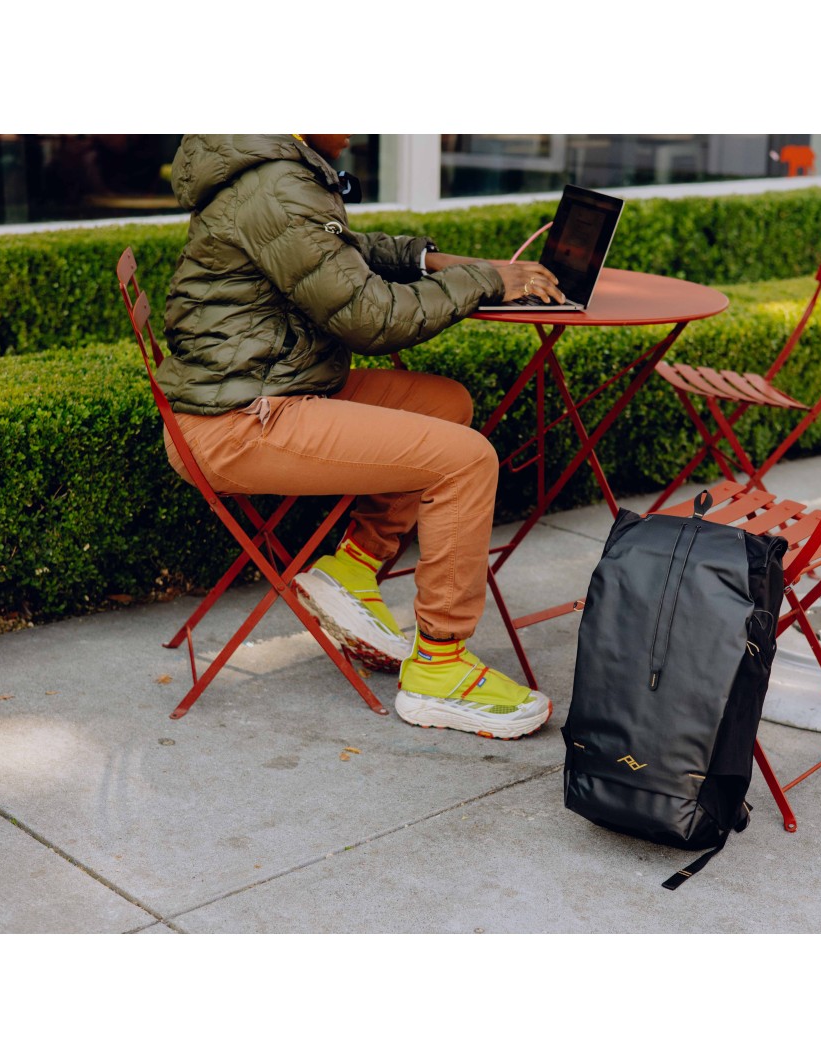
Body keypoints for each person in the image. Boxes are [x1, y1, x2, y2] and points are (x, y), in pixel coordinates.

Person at [156, 134, 565, 739]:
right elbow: (372, 318)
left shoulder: (273, 171)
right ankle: (439, 670)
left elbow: (340, 252)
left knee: (446, 404)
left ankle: (353, 566)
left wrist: (435, 262)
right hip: (235, 421)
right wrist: (484, 281)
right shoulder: (276, 183)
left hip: (268, 384)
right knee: (466, 461)